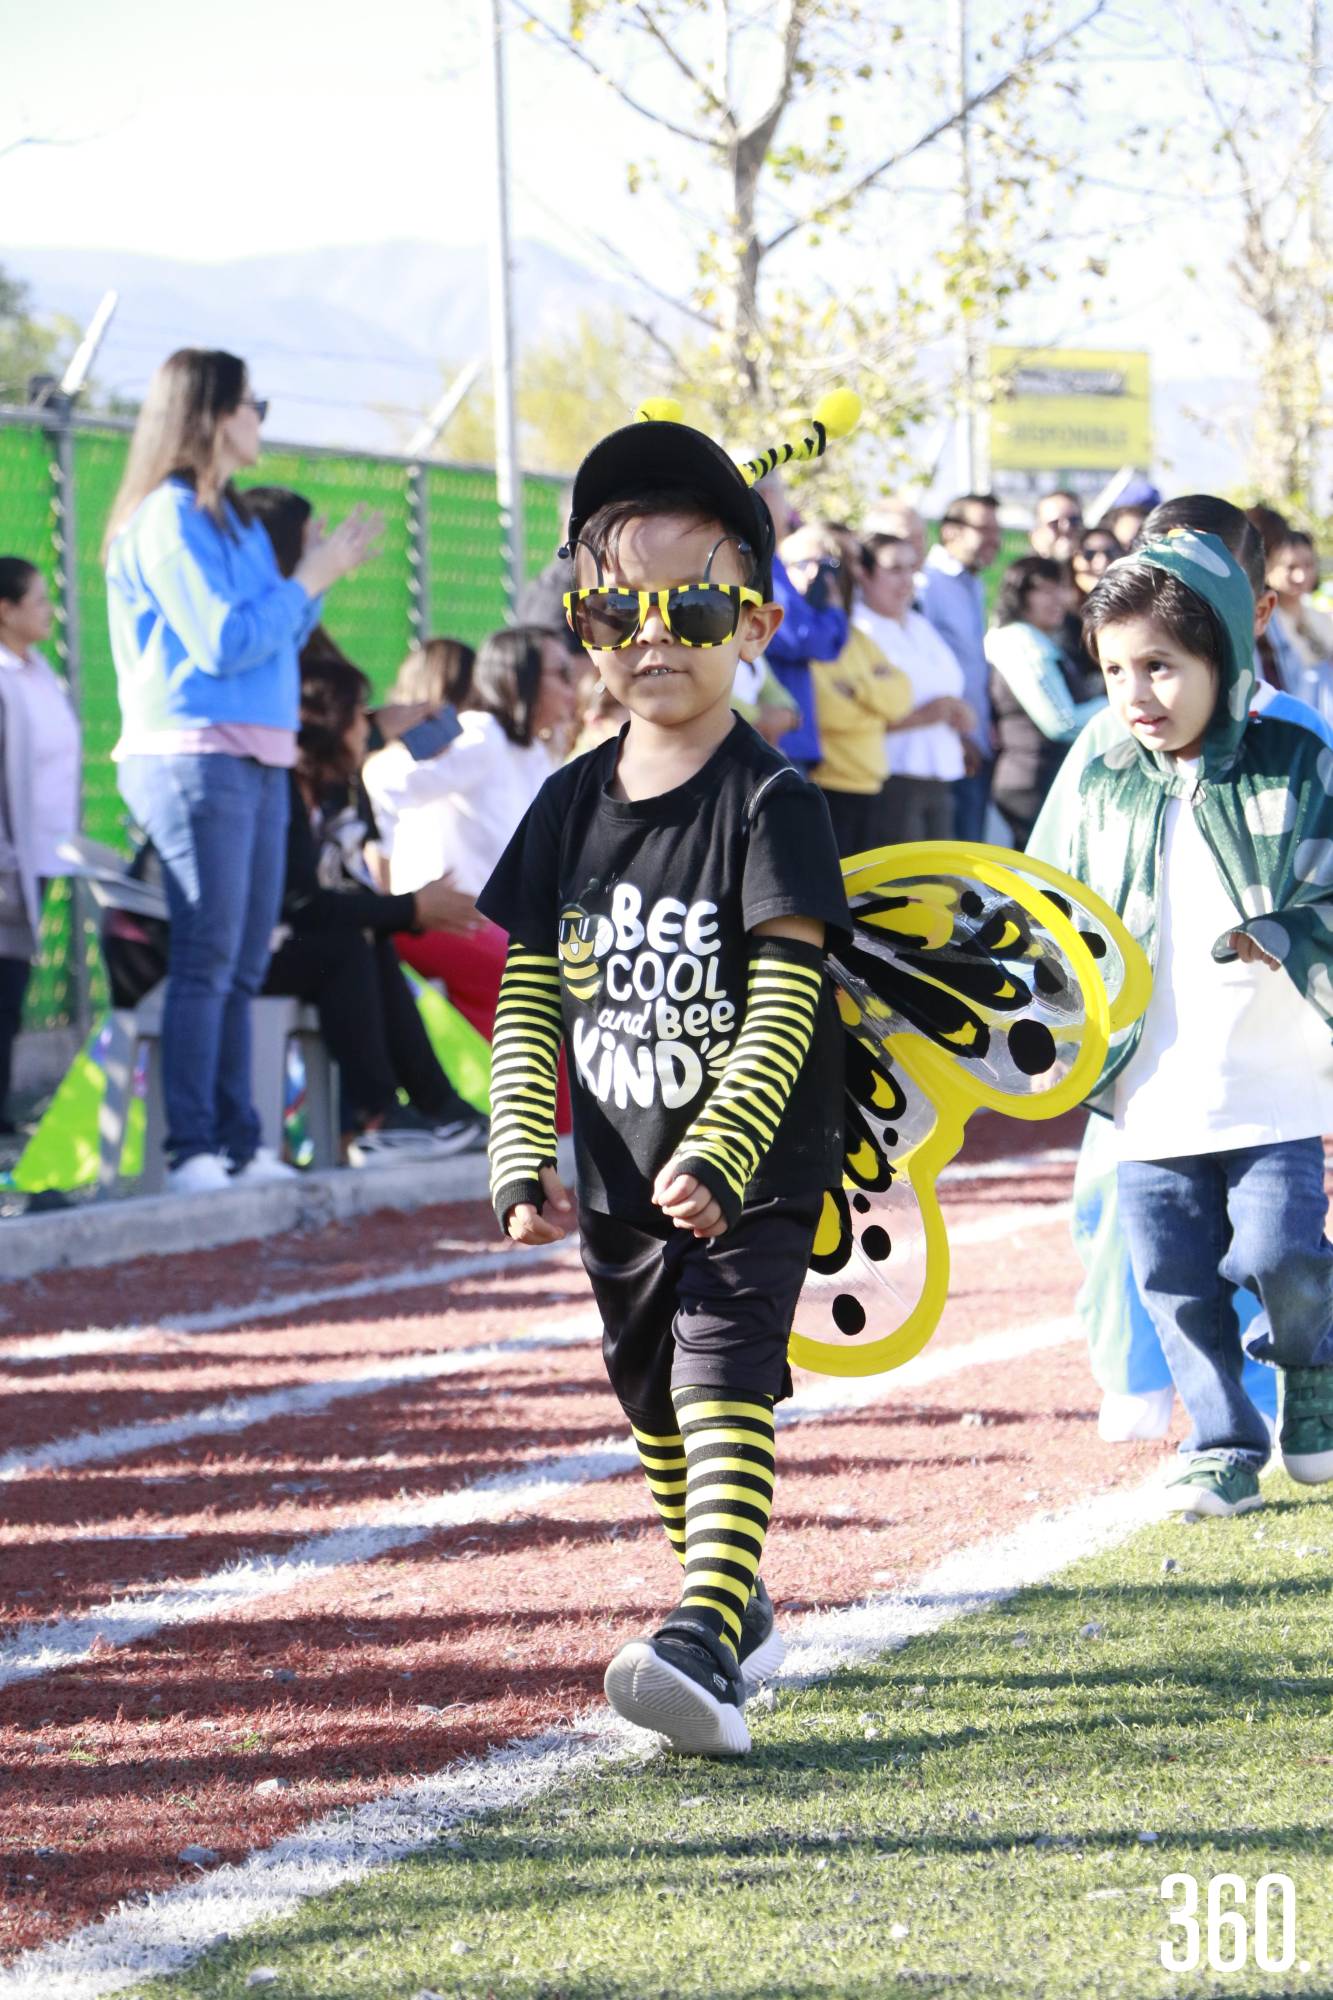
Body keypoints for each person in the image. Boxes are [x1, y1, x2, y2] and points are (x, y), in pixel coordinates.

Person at [478, 407, 850, 1757]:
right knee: (648, 1398)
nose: (654, 634)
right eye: (617, 608)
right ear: (583, 622)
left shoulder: (771, 804)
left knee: (719, 1373)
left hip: (750, 1168)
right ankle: (731, 1590)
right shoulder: (568, 804)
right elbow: (533, 986)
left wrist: (728, 1150)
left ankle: (699, 1631)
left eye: (691, 604)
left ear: (751, 622)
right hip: (622, 1171)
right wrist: (522, 1147)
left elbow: (791, 998)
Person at [1028, 494, 1321, 1446]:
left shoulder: (1294, 744)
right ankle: (1164, 1399)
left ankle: (1292, 1384)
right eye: (1119, 664)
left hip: (1261, 1072)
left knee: (1270, 1240)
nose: (1139, 686)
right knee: (1132, 1227)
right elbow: (1044, 887)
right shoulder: (1106, 751)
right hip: (1143, 1063)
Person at [104, 348, 377, 1194]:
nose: (261, 416)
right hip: (193, 757)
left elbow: (274, 635)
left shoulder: (229, 523)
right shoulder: (166, 517)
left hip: (254, 757)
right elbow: (221, 642)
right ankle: (193, 1147)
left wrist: (311, 584)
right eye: (252, 402)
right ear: (214, 412)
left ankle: (239, 1138)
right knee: (208, 956)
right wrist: (308, 579)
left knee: (242, 959)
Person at [263, 655, 486, 1163]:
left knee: (370, 938)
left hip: (280, 943)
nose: (368, 727)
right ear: (325, 725)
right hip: (214, 954)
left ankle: (437, 1106)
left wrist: (403, 912)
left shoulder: (330, 787)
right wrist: (410, 908)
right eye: (358, 714)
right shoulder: (280, 788)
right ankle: (378, 1116)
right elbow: (302, 905)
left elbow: (333, 899)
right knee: (347, 944)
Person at [0, 558, 80, 1133]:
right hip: (7, 859)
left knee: (13, 984)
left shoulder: (38, 670)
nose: (49, 611)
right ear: (5, 611)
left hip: (40, 857)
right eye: (38, 601)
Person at [779, 523, 911, 855]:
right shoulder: (795, 631)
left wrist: (859, 691)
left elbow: (902, 696)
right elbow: (828, 712)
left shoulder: (851, 634)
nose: (818, 576)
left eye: (828, 566)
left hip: (869, 786)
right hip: (827, 784)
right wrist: (876, 711)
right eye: (803, 564)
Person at [857, 533, 975, 844]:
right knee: (901, 889)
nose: (907, 580)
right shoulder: (856, 629)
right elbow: (848, 711)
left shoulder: (919, 625)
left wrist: (961, 712)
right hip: (890, 778)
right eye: (895, 569)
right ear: (865, 573)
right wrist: (924, 716)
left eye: (912, 569)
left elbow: (950, 686)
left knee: (941, 886)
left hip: (939, 775)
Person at [983, 555, 1106, 848]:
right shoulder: (1020, 641)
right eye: (1045, 590)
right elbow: (1062, 722)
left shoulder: (1034, 639)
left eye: (1059, 589)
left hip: (1037, 779)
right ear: (1019, 594)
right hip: (1031, 782)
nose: (1058, 600)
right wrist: (1120, 707)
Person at [917, 492, 1001, 841]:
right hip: (948, 746)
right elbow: (924, 668)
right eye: (985, 528)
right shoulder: (927, 583)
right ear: (950, 531)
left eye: (997, 529)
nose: (995, 540)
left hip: (977, 743)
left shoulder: (974, 582)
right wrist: (960, 735)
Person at [754, 469, 849, 770]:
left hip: (789, 737)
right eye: (785, 497)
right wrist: (833, 611)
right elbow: (802, 638)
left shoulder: (771, 561)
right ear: (768, 497)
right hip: (773, 739)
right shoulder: (756, 561)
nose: (789, 510)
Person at [1262, 525, 1333, 723]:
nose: (1300, 576)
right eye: (1291, 567)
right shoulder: (1265, 625)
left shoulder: (1322, 618)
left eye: (1308, 565)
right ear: (1269, 568)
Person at [1029, 489, 1084, 563]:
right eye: (1054, 523)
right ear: (1035, 534)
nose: (1066, 528)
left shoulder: (1100, 571)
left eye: (1074, 521)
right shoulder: (1023, 572)